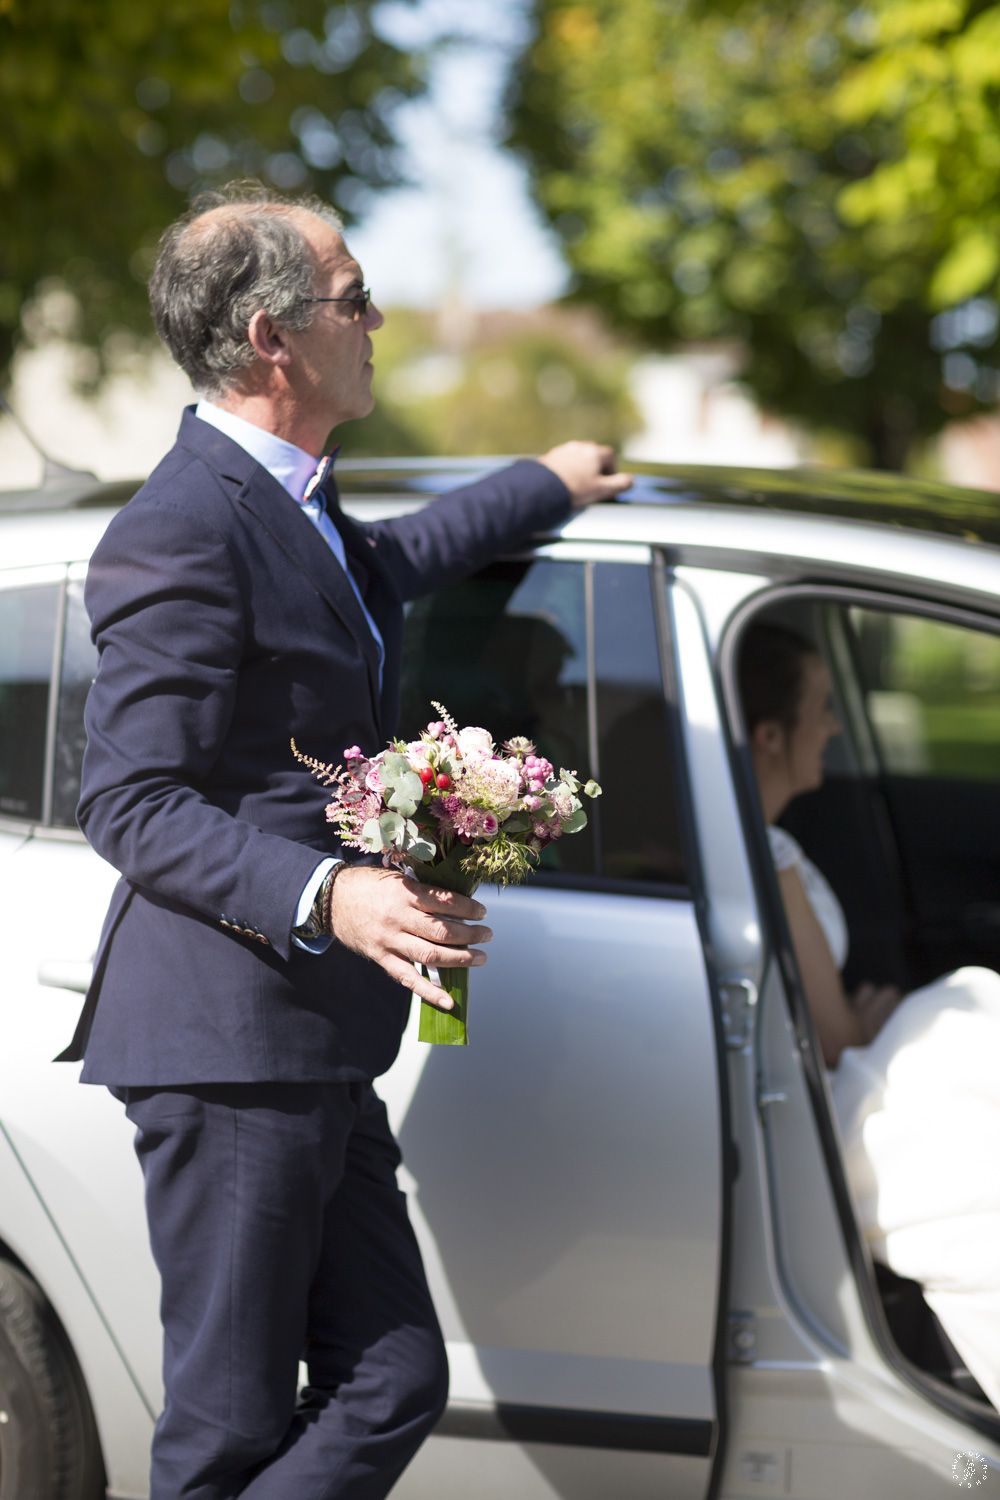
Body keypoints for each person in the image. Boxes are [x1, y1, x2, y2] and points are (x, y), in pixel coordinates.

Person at [58, 180, 633, 1500]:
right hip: (227, 1045)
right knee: (226, 1433)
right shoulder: (180, 525)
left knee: (392, 1380)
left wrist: (543, 483)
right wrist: (337, 894)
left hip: (309, 1039)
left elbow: (393, 564)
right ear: (274, 337)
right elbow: (129, 801)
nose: (378, 320)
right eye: (356, 298)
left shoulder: (293, 498)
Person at [740, 622, 1000, 1412]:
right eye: (823, 707)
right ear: (771, 735)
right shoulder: (771, 857)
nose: (834, 725)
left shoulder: (763, 843)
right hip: (830, 1087)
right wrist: (861, 1016)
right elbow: (836, 1039)